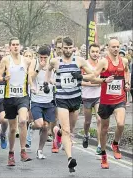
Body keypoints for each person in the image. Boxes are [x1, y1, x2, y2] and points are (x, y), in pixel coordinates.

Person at [45, 36, 96, 172]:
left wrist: (81, 76)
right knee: (67, 131)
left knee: (70, 129)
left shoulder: (79, 61)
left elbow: (93, 75)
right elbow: (48, 69)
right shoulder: (55, 61)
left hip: (75, 99)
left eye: (70, 48)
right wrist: (47, 81)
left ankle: (58, 132)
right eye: (65, 48)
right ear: (61, 48)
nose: (67, 50)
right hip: (62, 99)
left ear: (73, 47)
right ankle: (70, 159)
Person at [93, 38, 130, 169]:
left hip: (119, 99)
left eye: (117, 46)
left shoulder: (123, 60)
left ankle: (115, 144)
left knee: (120, 124)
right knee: (104, 129)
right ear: (108, 47)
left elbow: (126, 71)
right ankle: (103, 155)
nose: (116, 49)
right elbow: (93, 78)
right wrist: (104, 80)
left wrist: (127, 83)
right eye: (113, 47)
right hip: (105, 101)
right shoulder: (103, 62)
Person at [0, 37, 32, 166]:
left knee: (23, 121)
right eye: (13, 45)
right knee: (12, 129)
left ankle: (23, 151)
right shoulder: (6, 60)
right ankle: (11, 153)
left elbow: (32, 75)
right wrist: (4, 78)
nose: (16, 47)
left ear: (20, 46)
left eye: (18, 44)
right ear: (9, 47)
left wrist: (33, 84)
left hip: (22, 96)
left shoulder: (27, 61)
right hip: (9, 97)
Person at [28, 45, 56, 159]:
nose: (43, 60)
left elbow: (56, 77)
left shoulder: (53, 64)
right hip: (36, 99)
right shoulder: (34, 62)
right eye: (41, 57)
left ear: (49, 56)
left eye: (45, 58)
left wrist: (53, 81)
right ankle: (31, 125)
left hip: (48, 100)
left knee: (45, 127)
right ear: (38, 56)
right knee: (39, 124)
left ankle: (40, 150)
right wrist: (39, 67)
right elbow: (30, 77)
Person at [81, 43, 102, 154]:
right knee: (87, 121)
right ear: (89, 52)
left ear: (99, 53)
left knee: (99, 119)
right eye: (93, 52)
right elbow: (80, 82)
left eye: (97, 52)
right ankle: (86, 135)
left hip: (98, 96)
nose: (95, 54)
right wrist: (93, 84)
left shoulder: (102, 64)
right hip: (87, 97)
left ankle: (99, 145)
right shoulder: (84, 65)